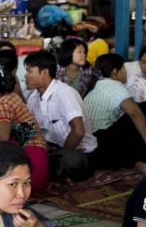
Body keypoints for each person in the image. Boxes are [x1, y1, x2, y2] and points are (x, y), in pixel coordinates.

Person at [84, 54, 146, 172]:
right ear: (115, 72)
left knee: (138, 120)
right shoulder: (115, 86)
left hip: (95, 153)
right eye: (123, 68)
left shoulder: (95, 87)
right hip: (103, 145)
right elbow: (136, 115)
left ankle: (138, 161)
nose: (125, 71)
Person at [23, 50, 97, 181]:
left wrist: (59, 154)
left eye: (29, 71)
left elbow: (78, 132)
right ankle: (54, 172)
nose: (26, 76)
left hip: (77, 152)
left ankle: (52, 171)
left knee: (71, 161)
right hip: (53, 149)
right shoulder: (33, 98)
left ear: (44, 73)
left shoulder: (63, 93)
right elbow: (30, 131)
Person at [0, 61, 49, 193]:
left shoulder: (0, 105)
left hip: (31, 169)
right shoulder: (11, 97)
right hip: (38, 162)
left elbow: (2, 141)